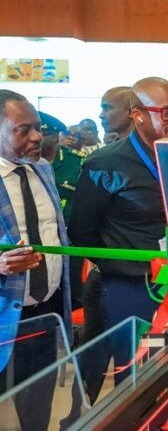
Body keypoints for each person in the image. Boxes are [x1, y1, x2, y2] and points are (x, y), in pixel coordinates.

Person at [68, 77, 168, 390]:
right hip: (129, 289)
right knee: (136, 384)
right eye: (166, 112)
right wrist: (121, 265)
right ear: (138, 114)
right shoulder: (104, 163)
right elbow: (82, 233)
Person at [0, 90, 72, 430]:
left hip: (46, 314)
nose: (37, 136)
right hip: (3, 320)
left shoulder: (43, 169)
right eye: (23, 129)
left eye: (38, 127)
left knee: (37, 416)